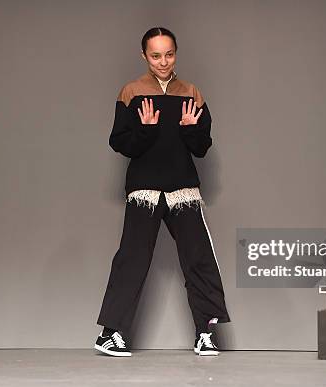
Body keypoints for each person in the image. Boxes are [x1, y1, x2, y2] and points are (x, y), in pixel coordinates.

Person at [95, 27, 231, 357]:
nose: (163, 61)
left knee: (199, 259)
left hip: (183, 188)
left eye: (169, 54)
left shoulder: (191, 92)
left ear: (176, 53)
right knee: (132, 258)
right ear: (144, 56)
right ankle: (110, 335)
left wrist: (190, 129)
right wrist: (143, 131)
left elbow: (202, 147)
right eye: (155, 55)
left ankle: (206, 332)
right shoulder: (131, 92)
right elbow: (120, 143)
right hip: (144, 188)